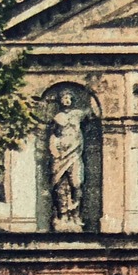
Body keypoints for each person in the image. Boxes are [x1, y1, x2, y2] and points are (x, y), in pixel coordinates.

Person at [48, 89, 90, 232]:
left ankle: (76, 214)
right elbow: (53, 135)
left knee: (76, 183)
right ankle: (63, 214)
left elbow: (92, 112)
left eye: (68, 98)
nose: (66, 100)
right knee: (60, 185)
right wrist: (54, 150)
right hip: (61, 155)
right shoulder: (57, 117)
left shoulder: (78, 114)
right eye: (63, 98)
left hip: (75, 153)